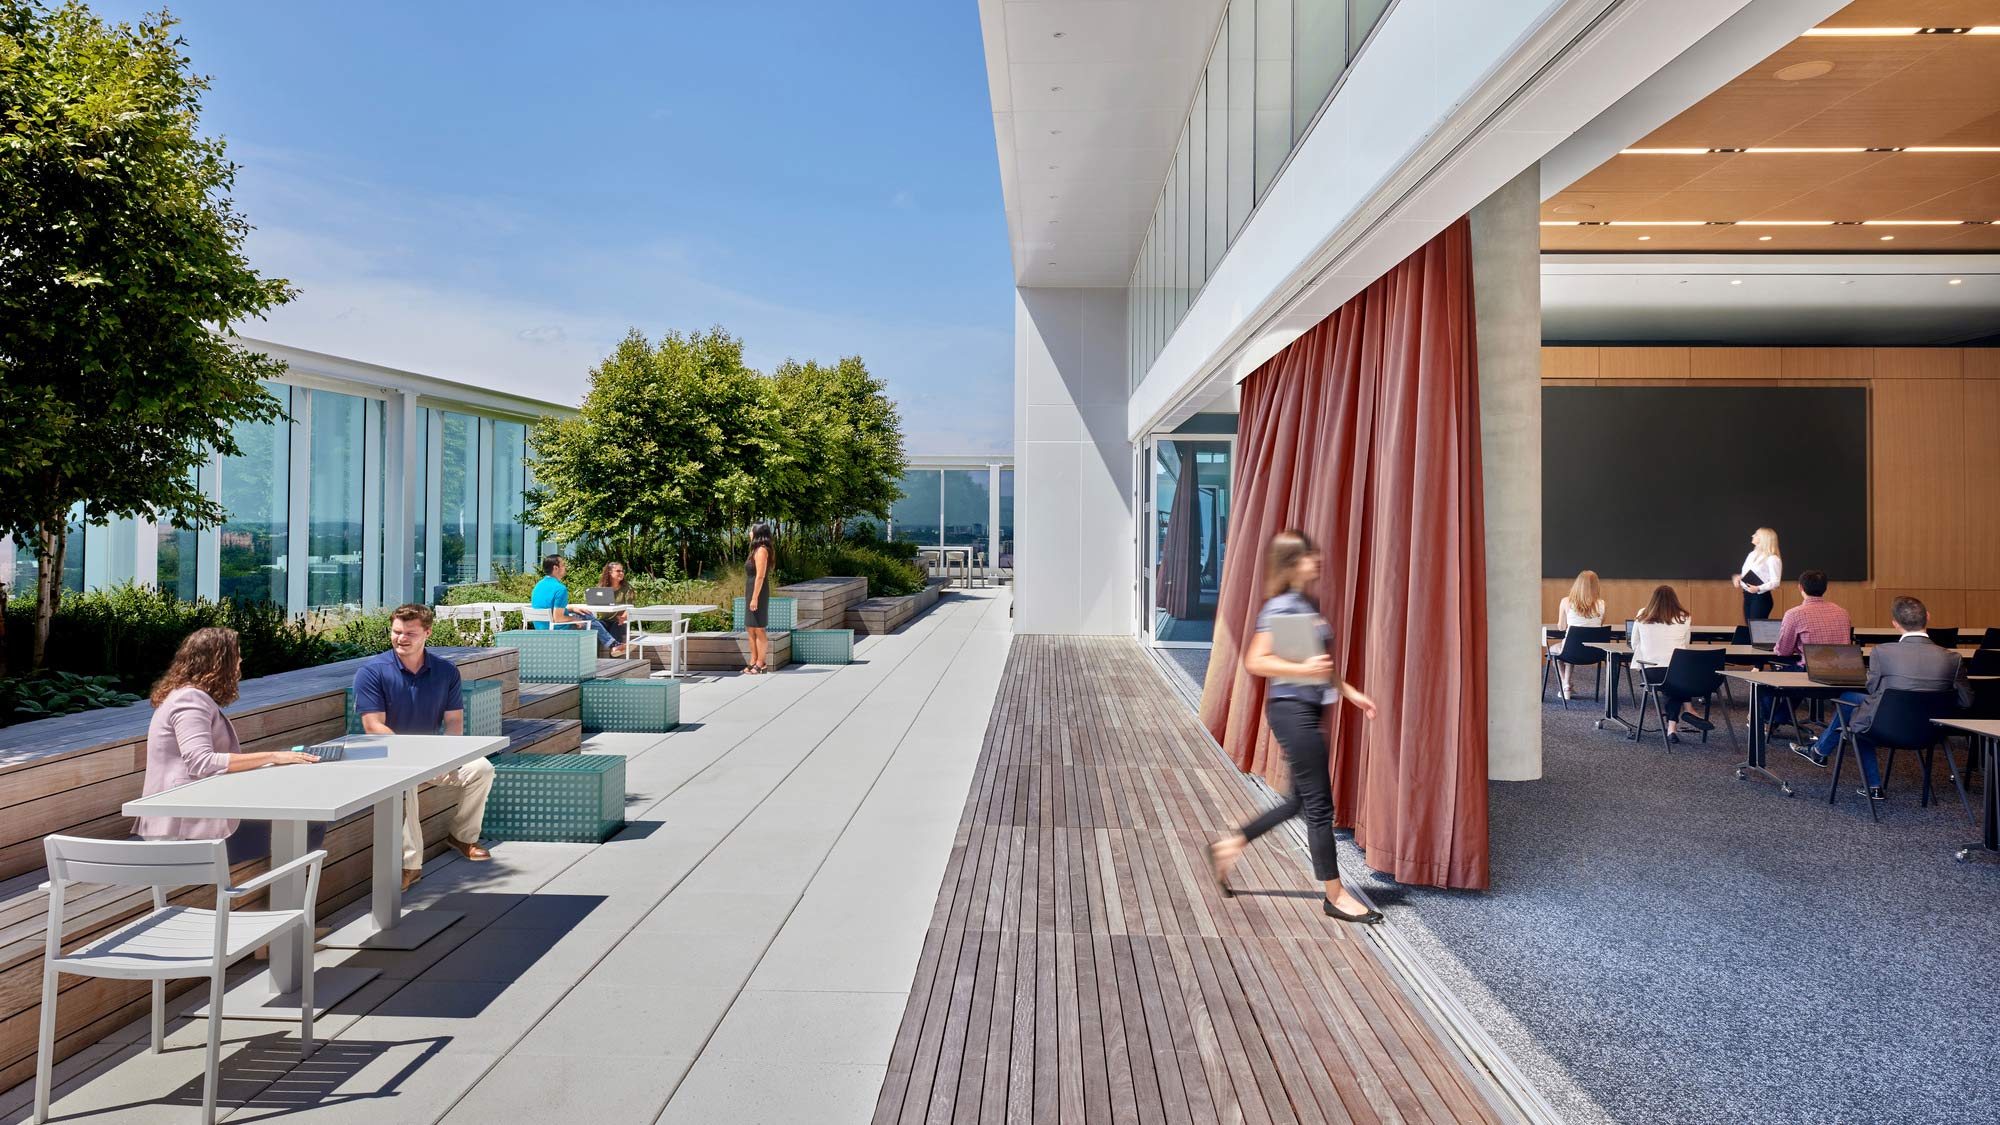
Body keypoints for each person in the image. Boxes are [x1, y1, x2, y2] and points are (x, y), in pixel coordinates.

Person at [1207, 530, 1383, 925]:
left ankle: (1229, 845)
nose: (1315, 560)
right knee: (1321, 808)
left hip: (1307, 708)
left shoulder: (1304, 603)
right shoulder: (1282, 607)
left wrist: (1351, 692)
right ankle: (1336, 897)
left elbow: (1316, 663)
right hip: (1292, 712)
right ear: (1290, 564)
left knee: (1297, 803)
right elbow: (1257, 661)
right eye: (1307, 556)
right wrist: (1302, 669)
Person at [136, 627, 322, 862]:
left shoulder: (186, 695)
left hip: (192, 823)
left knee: (300, 822)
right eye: (237, 656)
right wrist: (273, 756)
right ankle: (286, 897)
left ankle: (278, 891)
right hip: (186, 835)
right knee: (309, 825)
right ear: (218, 662)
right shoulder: (189, 700)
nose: (241, 662)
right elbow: (201, 762)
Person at [353, 604, 494, 892]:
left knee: (482, 768)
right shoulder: (372, 672)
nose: (401, 638)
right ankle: (410, 865)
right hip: (387, 756)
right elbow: (373, 727)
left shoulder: (445, 671)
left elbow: (454, 722)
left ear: (427, 633)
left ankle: (463, 836)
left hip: (431, 757)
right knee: (405, 783)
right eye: (396, 632)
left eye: (410, 633)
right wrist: (413, 758)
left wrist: (447, 755)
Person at [1802, 596, 1972, 791]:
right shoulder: (1953, 658)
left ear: (1895, 624)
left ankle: (1867, 782)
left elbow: (1873, 690)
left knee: (1856, 712)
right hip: (1932, 732)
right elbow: (1966, 701)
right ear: (1928, 617)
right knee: (1859, 709)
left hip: (1885, 727)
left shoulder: (1882, 652)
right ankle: (1821, 753)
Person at [1630, 584, 1698, 741]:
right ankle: (1674, 724)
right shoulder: (1685, 617)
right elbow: (1685, 646)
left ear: (1653, 600)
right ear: (1675, 600)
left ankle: (1676, 723)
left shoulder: (1642, 614)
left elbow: (1634, 643)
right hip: (1677, 672)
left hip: (1651, 672)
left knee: (1672, 685)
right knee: (1677, 683)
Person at [530, 554, 624, 656]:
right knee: (588, 618)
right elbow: (558, 618)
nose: (565, 567)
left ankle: (613, 644)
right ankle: (611, 646)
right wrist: (576, 620)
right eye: (563, 565)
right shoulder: (560, 589)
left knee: (584, 614)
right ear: (555, 568)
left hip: (541, 628)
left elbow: (549, 607)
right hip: (557, 629)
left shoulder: (538, 586)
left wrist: (571, 608)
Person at [1548, 569, 1605, 701]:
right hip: (1594, 652)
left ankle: (1565, 684)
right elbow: (1599, 625)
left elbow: (1562, 627)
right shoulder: (1602, 604)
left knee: (1556, 650)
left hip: (1571, 649)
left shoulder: (1565, 601)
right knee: (1569, 647)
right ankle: (1567, 685)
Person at [1731, 527, 1783, 622]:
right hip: (1747, 595)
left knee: (1757, 629)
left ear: (1764, 538)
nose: (1753, 536)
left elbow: (1776, 582)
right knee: (1750, 628)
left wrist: (1758, 588)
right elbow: (1746, 574)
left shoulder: (1772, 558)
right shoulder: (1752, 554)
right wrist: (1739, 578)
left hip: (1760, 598)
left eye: (1756, 534)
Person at [743, 523, 775, 675]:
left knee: (759, 627)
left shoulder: (762, 550)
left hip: (758, 592)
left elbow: (760, 576)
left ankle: (761, 663)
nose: (749, 532)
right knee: (750, 627)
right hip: (751, 590)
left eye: (751, 530)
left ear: (757, 533)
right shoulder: (754, 550)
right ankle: (753, 659)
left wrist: (755, 597)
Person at [597, 561, 634, 648]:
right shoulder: (602, 588)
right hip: (605, 620)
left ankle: (615, 655)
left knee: (615, 626)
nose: (621, 573)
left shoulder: (627, 588)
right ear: (610, 573)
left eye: (622, 571)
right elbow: (597, 606)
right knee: (596, 627)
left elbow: (630, 607)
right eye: (618, 571)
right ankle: (594, 659)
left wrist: (623, 617)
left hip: (620, 621)